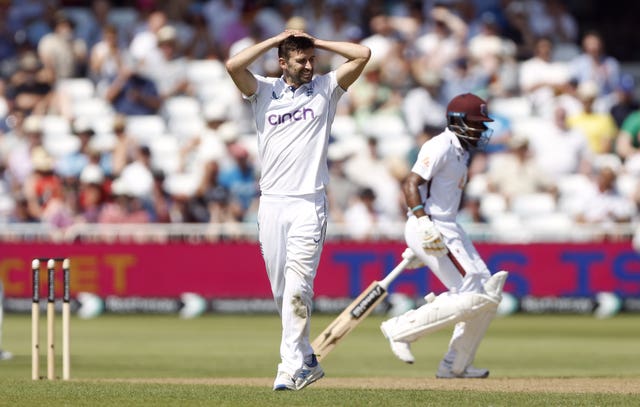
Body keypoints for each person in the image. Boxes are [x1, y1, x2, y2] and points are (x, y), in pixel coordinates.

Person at [225, 29, 370, 391]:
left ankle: (289, 368)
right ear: (282, 62)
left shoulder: (326, 88)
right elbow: (232, 65)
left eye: (311, 60)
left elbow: (363, 54)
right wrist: (277, 39)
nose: (308, 65)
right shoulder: (262, 90)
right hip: (272, 203)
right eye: (301, 60)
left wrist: (316, 42)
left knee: (297, 288)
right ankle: (306, 356)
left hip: (309, 202)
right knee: (281, 291)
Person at [379, 93, 508, 378]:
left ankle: (456, 364)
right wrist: (422, 226)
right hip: (431, 223)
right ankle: (399, 329)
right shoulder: (440, 145)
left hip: (449, 225)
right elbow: (411, 183)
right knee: (471, 293)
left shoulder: (462, 152)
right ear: (458, 122)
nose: (482, 130)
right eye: (477, 124)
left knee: (487, 293)